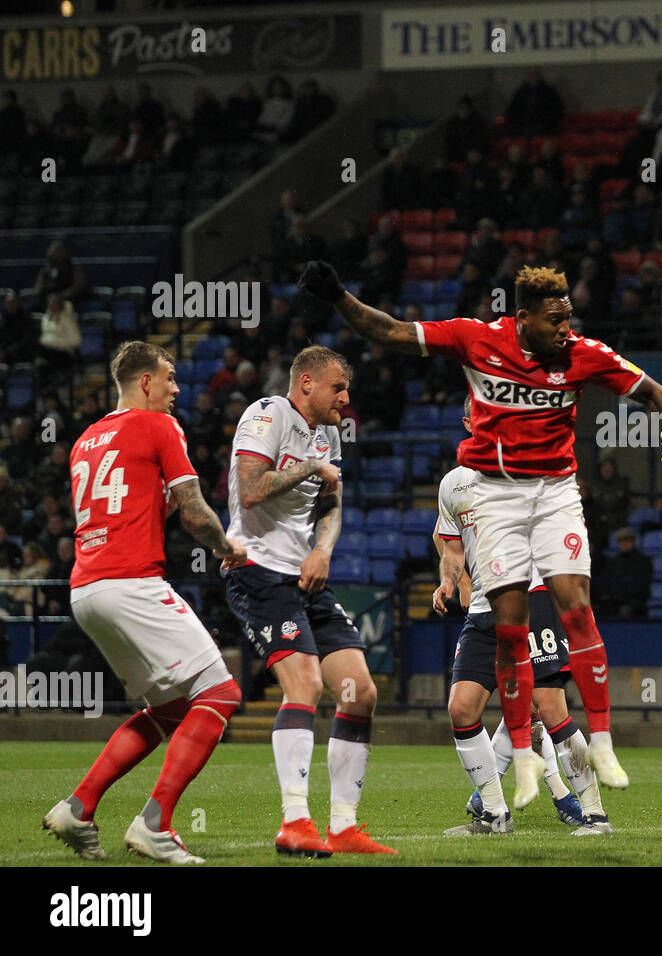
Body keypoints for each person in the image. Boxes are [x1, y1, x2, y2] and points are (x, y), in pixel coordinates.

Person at [299, 261, 662, 790]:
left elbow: (654, 394)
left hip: (555, 491)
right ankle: (524, 757)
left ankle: (601, 744)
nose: (565, 329)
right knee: (510, 629)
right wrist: (340, 297)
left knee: (576, 605)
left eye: (569, 318)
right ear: (523, 317)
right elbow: (390, 332)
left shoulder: (583, 353)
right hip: (494, 496)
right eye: (555, 320)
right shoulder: (476, 340)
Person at [43, 341, 245, 864]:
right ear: (146, 382)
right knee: (221, 694)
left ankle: (79, 807)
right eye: (171, 378)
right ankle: (156, 823)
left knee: (171, 708)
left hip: (86, 589)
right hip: (131, 580)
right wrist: (228, 549)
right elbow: (194, 513)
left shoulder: (85, 439)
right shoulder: (157, 426)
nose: (178, 389)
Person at [222, 345, 394, 857]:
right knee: (306, 683)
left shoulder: (330, 435)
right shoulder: (268, 414)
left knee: (359, 691)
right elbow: (250, 489)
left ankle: (343, 826)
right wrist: (314, 466)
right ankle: (295, 821)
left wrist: (321, 550)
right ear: (306, 384)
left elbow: (331, 502)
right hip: (257, 572)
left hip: (306, 575)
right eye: (338, 387)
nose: (345, 398)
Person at [433, 399, 609, 835]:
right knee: (461, 708)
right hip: (482, 611)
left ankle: (595, 814)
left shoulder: (525, 471)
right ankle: (494, 814)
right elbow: (453, 547)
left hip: (530, 601)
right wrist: (448, 582)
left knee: (549, 709)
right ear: (469, 421)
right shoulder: (454, 485)